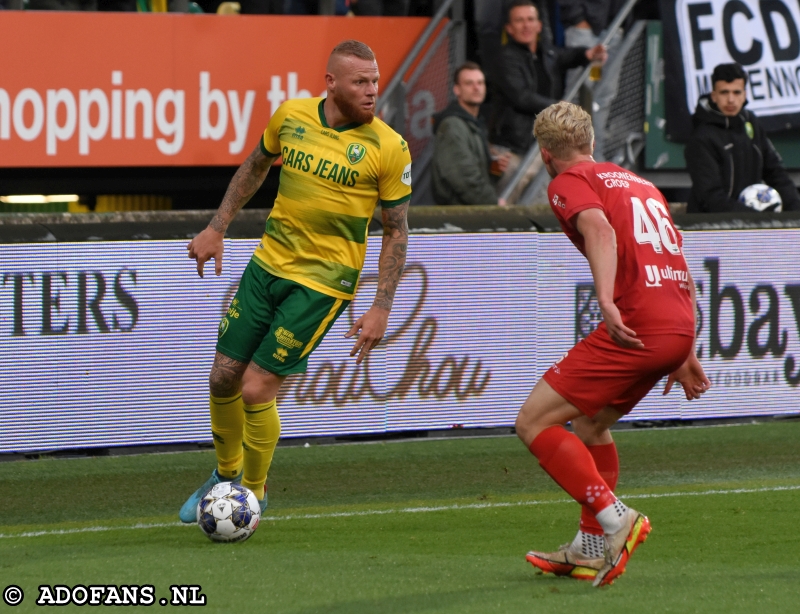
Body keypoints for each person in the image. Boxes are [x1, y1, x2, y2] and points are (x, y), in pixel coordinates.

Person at [179, 40, 412, 522]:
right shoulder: (291, 116)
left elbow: (396, 230)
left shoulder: (389, 147)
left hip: (323, 283)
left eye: (375, 80)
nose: (372, 91)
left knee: (256, 389)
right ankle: (226, 474)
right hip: (268, 266)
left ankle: (254, 492)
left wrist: (381, 306)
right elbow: (255, 166)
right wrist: (217, 227)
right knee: (222, 376)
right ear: (331, 84)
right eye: (360, 82)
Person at [517, 101, 710, 586]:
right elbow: (677, 259)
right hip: (675, 323)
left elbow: (599, 229)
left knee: (533, 421)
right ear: (592, 143)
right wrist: (685, 349)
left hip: (636, 322)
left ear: (545, 154)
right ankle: (587, 548)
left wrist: (605, 298)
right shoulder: (640, 183)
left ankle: (614, 517)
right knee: (590, 422)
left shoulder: (568, 182)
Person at [490, 0, 606, 196]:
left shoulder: (548, 52)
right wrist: (558, 108)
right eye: (519, 21)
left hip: (541, 142)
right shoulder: (504, 58)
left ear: (539, 25)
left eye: (530, 19)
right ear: (509, 28)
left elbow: (566, 56)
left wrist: (586, 54)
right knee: (508, 202)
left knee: (543, 198)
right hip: (513, 146)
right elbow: (522, 97)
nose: (526, 25)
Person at [685, 63, 800, 213]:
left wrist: (796, 211)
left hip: (749, 222)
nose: (731, 99)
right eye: (724, 92)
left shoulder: (751, 122)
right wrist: (753, 219)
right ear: (714, 96)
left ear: (744, 95)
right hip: (709, 225)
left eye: (736, 92)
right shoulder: (701, 137)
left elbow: (775, 172)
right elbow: (710, 196)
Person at [431, 62, 508, 205]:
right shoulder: (452, 126)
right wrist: (492, 203)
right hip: (459, 215)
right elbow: (464, 176)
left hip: (469, 211)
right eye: (469, 83)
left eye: (480, 83)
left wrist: (495, 168)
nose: (476, 87)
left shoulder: (475, 123)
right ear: (457, 90)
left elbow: (477, 173)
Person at [558, 0, 625, 162]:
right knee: (577, 97)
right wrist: (577, 18)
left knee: (603, 97)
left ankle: (595, 157)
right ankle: (568, 157)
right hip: (584, 27)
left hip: (616, 26)